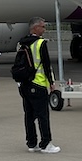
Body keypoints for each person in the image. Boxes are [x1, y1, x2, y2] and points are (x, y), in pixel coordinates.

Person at [17, 17, 60, 153]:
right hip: (38, 84)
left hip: (24, 84)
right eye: (42, 27)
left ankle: (31, 143)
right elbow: (47, 65)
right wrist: (52, 83)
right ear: (35, 28)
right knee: (43, 116)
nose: (44, 29)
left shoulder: (21, 43)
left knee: (29, 116)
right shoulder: (40, 43)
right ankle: (46, 143)